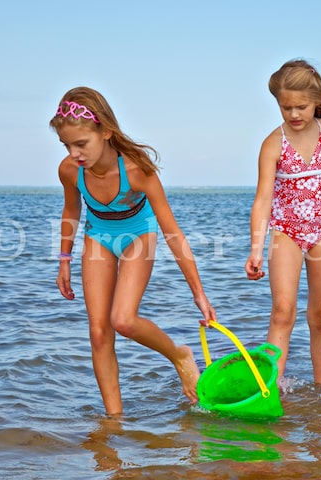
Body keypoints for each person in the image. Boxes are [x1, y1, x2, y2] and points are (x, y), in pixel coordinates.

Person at [49, 86, 216, 415]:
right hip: (98, 236)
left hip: (139, 234)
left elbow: (172, 231)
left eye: (81, 143)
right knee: (99, 333)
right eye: (66, 145)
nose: (74, 153)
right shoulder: (70, 171)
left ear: (106, 132)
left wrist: (198, 291)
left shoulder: (138, 171)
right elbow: (72, 212)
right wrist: (64, 259)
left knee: (123, 320)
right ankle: (114, 419)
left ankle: (179, 355)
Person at [245, 59, 321, 384]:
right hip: (286, 232)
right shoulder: (273, 144)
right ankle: (269, 390)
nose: (294, 114)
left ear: (317, 102)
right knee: (283, 312)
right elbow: (263, 200)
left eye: (301, 106)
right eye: (286, 108)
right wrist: (256, 249)